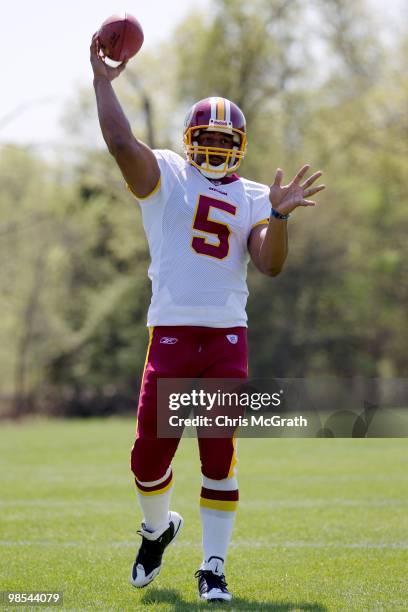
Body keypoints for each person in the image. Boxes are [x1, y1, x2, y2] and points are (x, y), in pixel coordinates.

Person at [90, 34, 325, 603]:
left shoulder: (251, 195)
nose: (217, 147)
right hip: (170, 333)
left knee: (218, 453)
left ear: (239, 144)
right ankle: (156, 528)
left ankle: (213, 567)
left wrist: (278, 215)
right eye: (208, 138)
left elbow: (268, 264)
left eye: (226, 139)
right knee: (148, 458)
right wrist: (101, 81)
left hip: (225, 337)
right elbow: (122, 141)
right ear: (191, 141)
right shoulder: (168, 175)